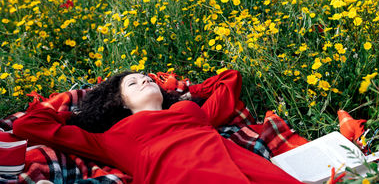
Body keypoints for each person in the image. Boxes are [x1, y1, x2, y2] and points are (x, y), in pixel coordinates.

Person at [13, 69, 303, 184]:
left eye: (148, 78)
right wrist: (75, 114)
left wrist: (194, 90)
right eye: (133, 82)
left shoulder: (188, 110)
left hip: (246, 167)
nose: (145, 81)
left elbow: (231, 80)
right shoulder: (109, 139)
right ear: (120, 101)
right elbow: (30, 125)